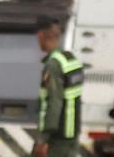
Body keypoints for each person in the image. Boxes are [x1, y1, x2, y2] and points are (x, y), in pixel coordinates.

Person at [33, 16, 85, 157]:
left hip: (57, 137)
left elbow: (54, 102)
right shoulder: (71, 60)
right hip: (72, 132)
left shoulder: (53, 65)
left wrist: (43, 140)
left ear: (41, 36)